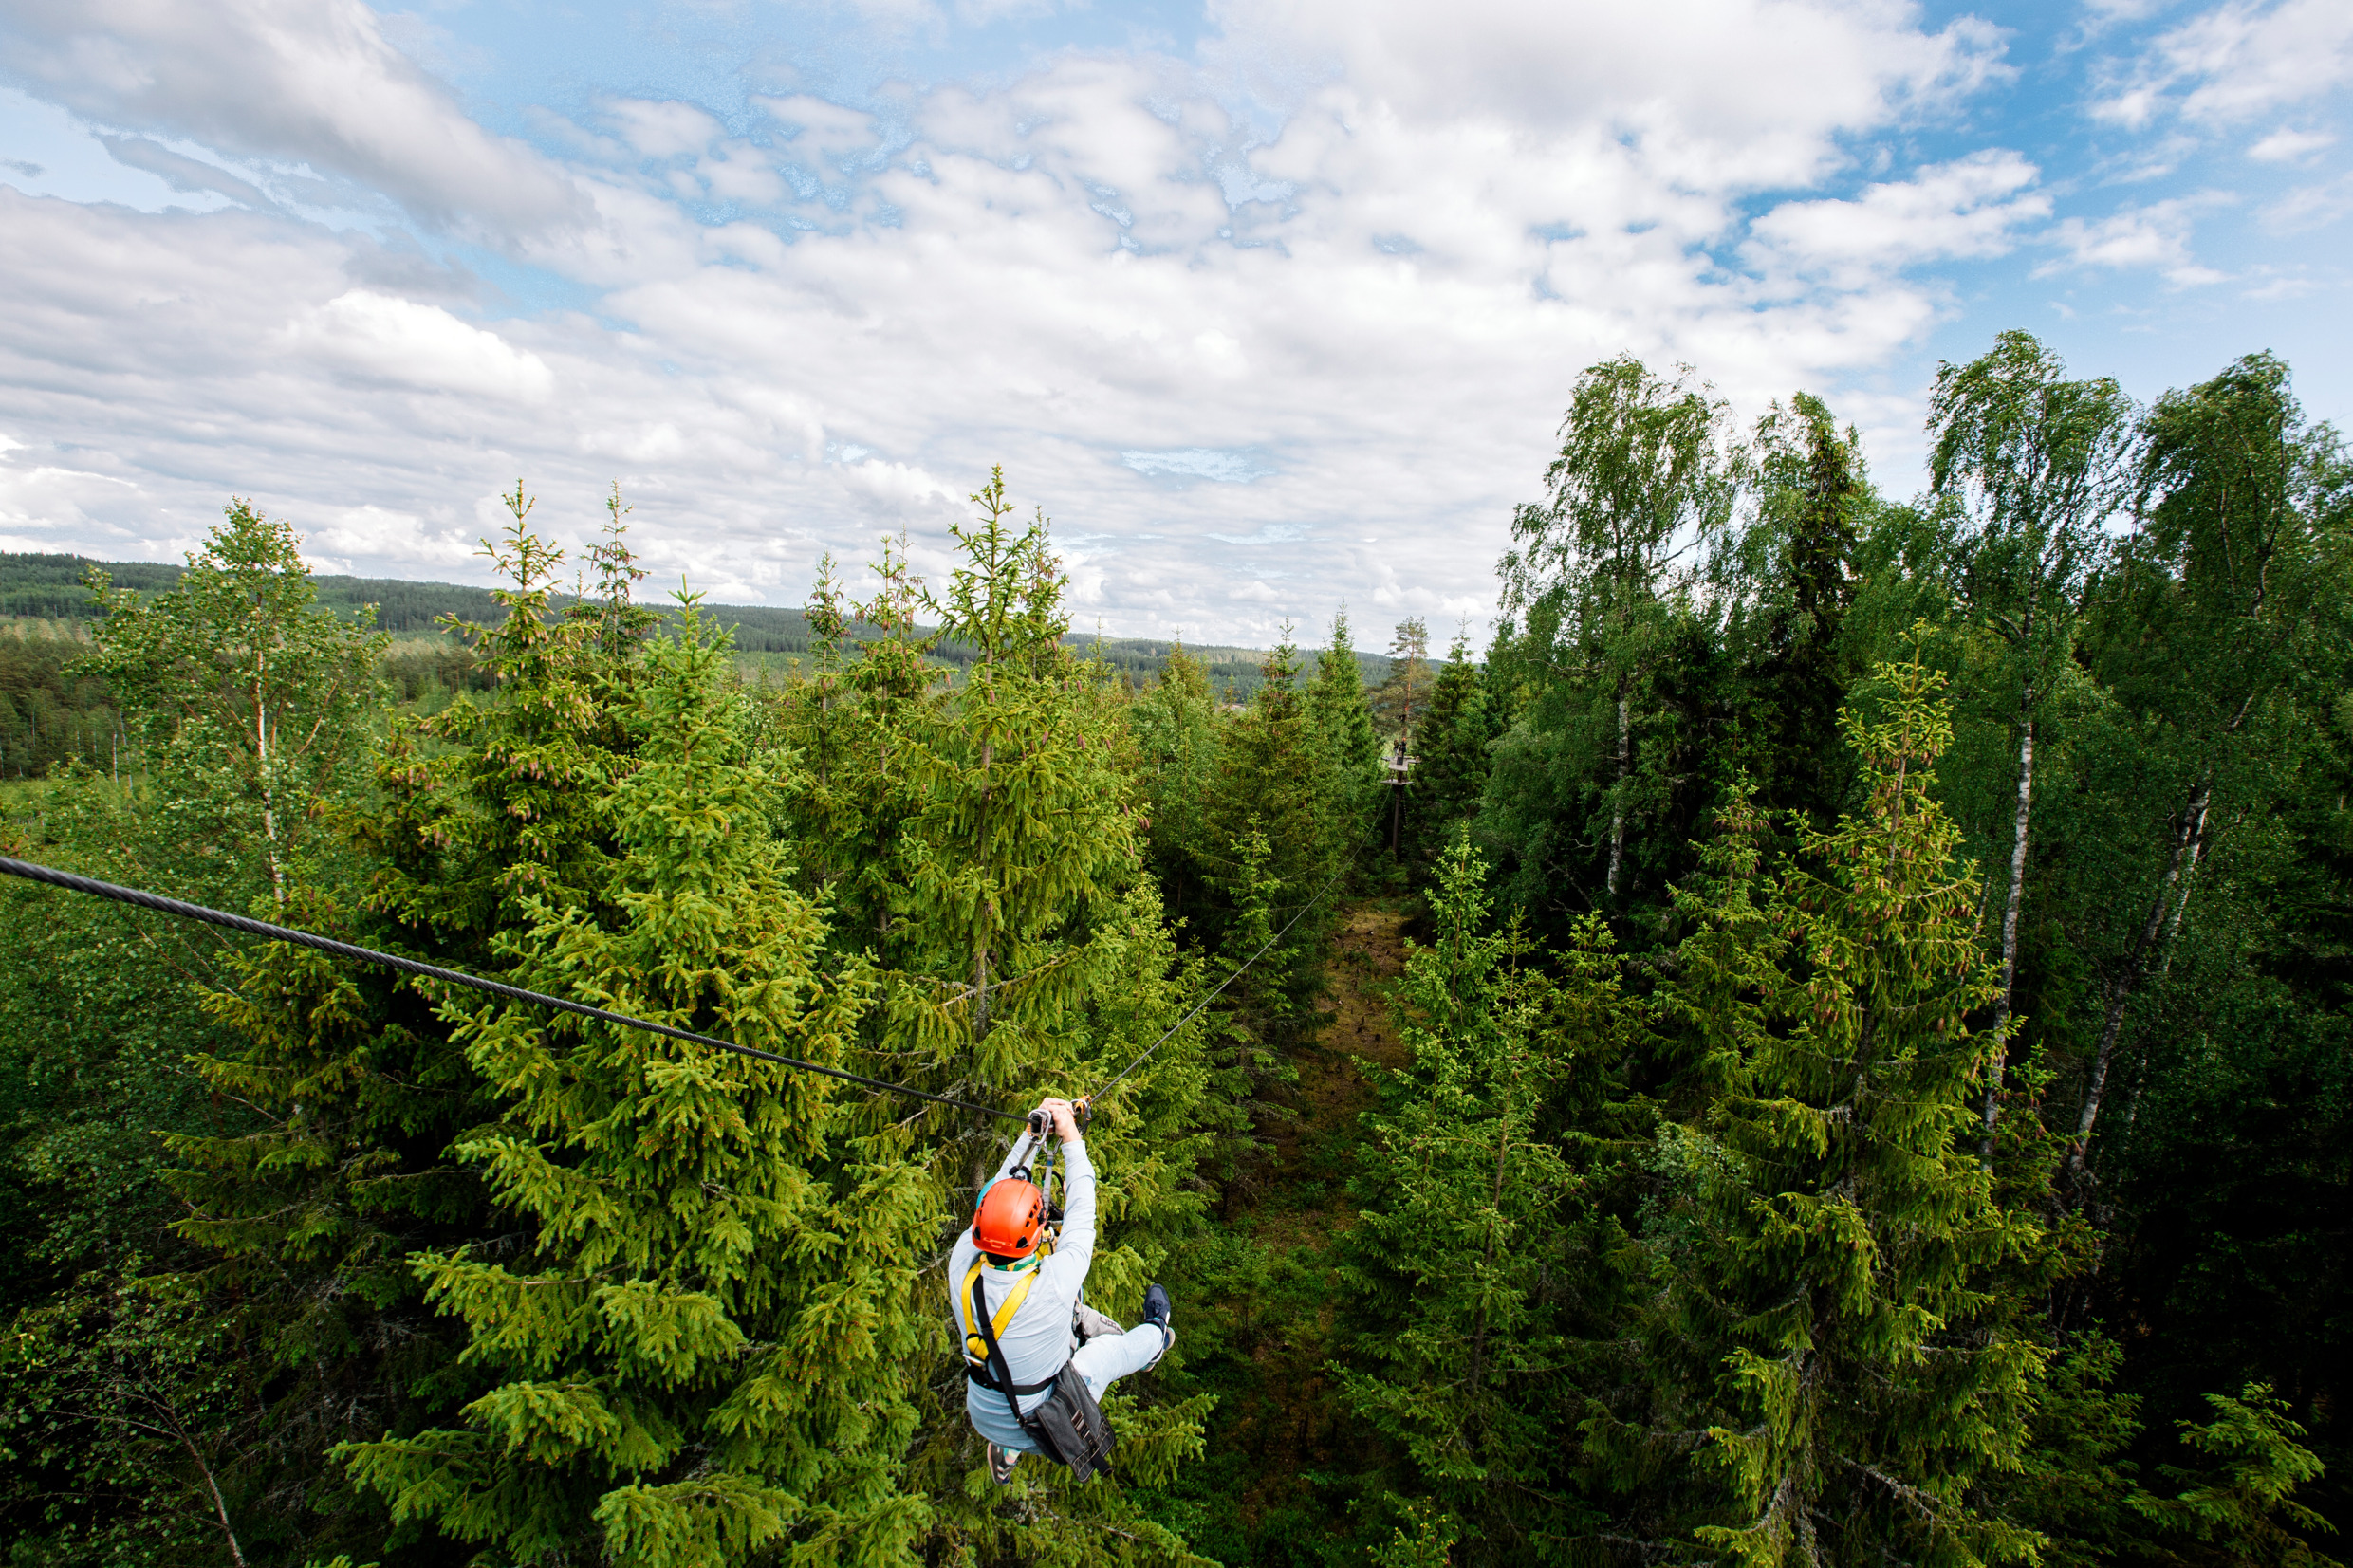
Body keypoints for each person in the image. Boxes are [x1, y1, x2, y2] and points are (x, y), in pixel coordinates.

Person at [950, 1096, 1174, 1484]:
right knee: (1104, 1354)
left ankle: (1007, 1447)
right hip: (1046, 1422)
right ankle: (1157, 1335)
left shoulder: (962, 1264)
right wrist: (1070, 1135)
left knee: (1023, 1366)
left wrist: (1031, 1135)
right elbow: (1082, 1203)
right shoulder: (1052, 1285)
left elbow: (997, 1192)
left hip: (985, 1413)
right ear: (1036, 1231)